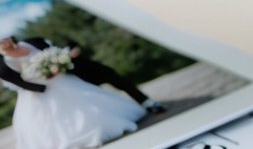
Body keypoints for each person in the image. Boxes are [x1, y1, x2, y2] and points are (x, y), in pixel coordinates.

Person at [0, 37, 145, 149]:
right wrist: (46, 75)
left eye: (4, 38)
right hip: (44, 88)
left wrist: (58, 63)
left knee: (89, 96)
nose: (4, 41)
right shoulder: (5, 62)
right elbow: (21, 81)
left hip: (65, 78)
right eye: (1, 42)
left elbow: (55, 51)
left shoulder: (31, 42)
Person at [19, 36, 166, 114]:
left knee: (121, 81)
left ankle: (148, 103)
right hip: (72, 77)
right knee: (97, 98)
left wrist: (74, 49)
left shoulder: (37, 39)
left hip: (88, 65)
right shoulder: (25, 56)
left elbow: (70, 43)